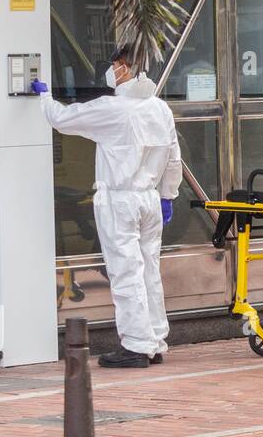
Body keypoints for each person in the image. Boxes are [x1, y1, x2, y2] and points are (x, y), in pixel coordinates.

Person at [33, 44, 182, 368]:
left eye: (114, 64)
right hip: (150, 200)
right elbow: (174, 158)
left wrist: (43, 96)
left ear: (124, 68)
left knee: (126, 272)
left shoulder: (114, 108)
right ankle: (155, 340)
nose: (110, 70)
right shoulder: (160, 109)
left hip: (120, 199)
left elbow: (62, 119)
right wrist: (169, 195)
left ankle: (135, 346)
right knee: (149, 272)